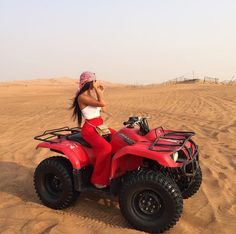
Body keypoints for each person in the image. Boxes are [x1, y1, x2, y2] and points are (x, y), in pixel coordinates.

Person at [70, 71, 116, 189]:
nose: (96, 83)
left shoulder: (89, 97)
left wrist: (101, 92)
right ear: (88, 83)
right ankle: (98, 180)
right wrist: (98, 91)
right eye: (94, 81)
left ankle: (114, 172)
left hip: (100, 126)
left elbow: (104, 108)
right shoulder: (82, 97)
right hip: (90, 129)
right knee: (106, 148)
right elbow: (102, 103)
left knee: (119, 138)